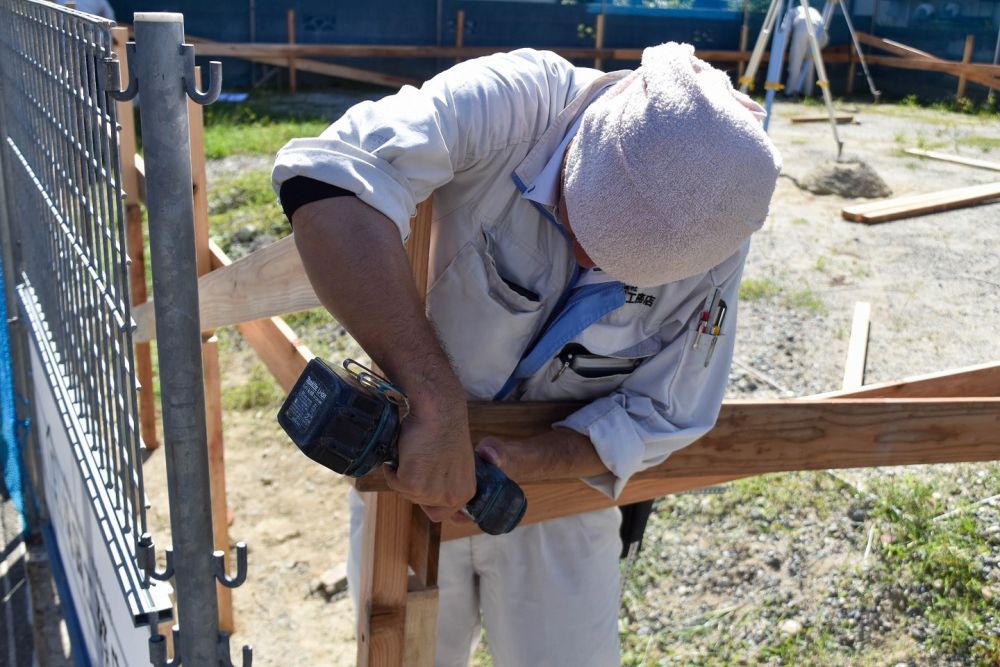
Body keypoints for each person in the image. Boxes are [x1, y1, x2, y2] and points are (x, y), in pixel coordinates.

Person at [272, 42, 780, 666]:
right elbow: (327, 178)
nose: (594, 263)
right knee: (401, 654)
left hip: (559, 498)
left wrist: (516, 459)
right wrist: (435, 407)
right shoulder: (516, 102)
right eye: (585, 227)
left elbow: (666, 412)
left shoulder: (714, 222)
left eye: (631, 267)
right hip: (410, 460)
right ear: (587, 146)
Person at [783, 4, 829, 98]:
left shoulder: (792, 11)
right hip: (819, 31)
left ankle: (790, 92)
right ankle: (807, 93)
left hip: (802, 26)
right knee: (809, 63)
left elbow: (785, 29)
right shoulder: (813, 10)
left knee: (795, 62)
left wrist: (782, 49)